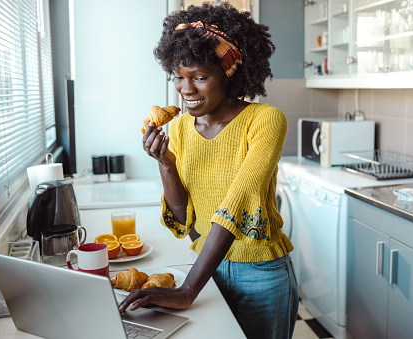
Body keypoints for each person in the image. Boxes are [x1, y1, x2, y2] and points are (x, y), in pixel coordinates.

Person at [119, 3, 299, 338]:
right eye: (179, 77)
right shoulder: (183, 128)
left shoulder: (265, 120)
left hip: (258, 274)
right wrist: (166, 165)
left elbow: (238, 201)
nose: (186, 90)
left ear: (229, 74)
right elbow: (182, 213)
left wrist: (188, 290)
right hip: (206, 267)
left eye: (200, 77)